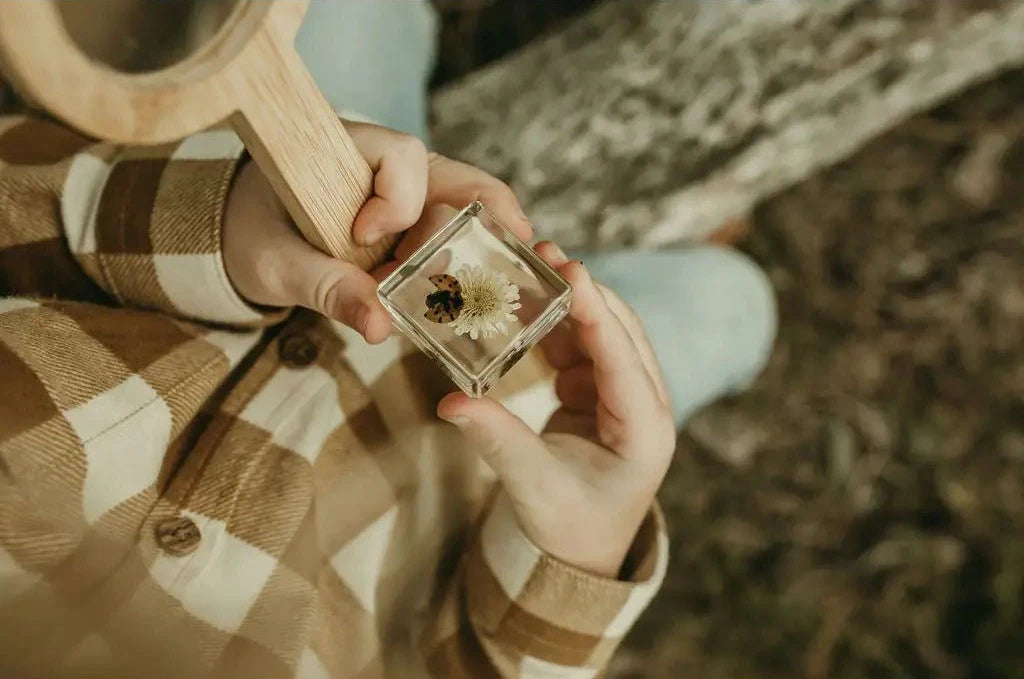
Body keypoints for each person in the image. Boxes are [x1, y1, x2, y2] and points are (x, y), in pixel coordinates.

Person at [0, 3, 775, 679]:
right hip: (518, 448)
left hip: (295, 203)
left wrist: (225, 220)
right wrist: (582, 550)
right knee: (735, 305)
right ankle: (659, 238)